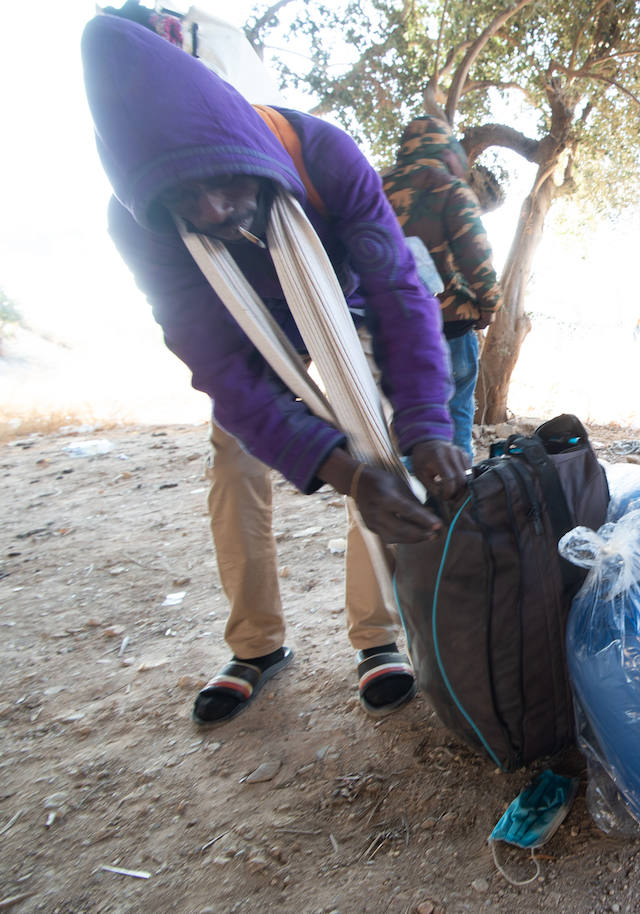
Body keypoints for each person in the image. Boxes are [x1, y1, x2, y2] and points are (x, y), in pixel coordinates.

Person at [82, 14, 469, 726]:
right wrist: (340, 475)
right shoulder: (137, 221)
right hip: (246, 329)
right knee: (234, 464)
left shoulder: (319, 152)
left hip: (341, 308)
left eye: (219, 180)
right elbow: (218, 365)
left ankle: (378, 637)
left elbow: (399, 294)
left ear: (244, 145)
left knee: (380, 448)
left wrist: (423, 426)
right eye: (180, 201)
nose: (212, 210)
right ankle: (256, 646)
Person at [382, 116, 503, 459]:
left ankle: (409, 502)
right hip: (450, 326)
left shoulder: (375, 187)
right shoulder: (448, 188)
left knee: (407, 423)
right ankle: (458, 500)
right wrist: (489, 304)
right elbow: (475, 255)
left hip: (395, 328)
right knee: (456, 418)